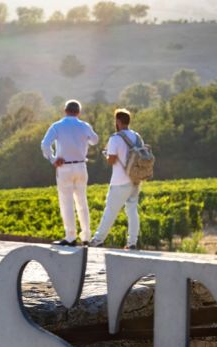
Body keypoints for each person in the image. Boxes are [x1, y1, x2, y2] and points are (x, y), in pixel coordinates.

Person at [41, 99, 99, 246]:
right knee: (82, 201)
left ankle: (70, 237)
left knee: (66, 202)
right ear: (78, 112)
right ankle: (86, 236)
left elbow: (45, 144)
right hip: (80, 166)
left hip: (64, 167)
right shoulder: (84, 126)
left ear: (65, 111)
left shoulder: (57, 126)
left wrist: (53, 159)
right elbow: (95, 140)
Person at [89, 109, 144, 250]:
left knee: (110, 211)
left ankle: (98, 239)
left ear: (118, 122)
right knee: (132, 211)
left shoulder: (115, 138)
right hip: (135, 179)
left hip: (120, 181)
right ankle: (132, 242)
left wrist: (107, 155)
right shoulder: (137, 137)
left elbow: (111, 160)